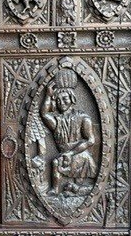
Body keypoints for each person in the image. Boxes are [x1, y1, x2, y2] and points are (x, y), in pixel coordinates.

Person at [41, 67, 96, 195]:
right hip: (64, 154)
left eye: (65, 99)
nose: (61, 103)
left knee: (78, 179)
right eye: (58, 100)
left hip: (80, 154)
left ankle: (79, 188)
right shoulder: (57, 121)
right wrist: (48, 96)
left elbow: (91, 140)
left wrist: (71, 153)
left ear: (72, 99)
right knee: (56, 163)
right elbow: (44, 114)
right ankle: (55, 189)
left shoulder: (83, 118)